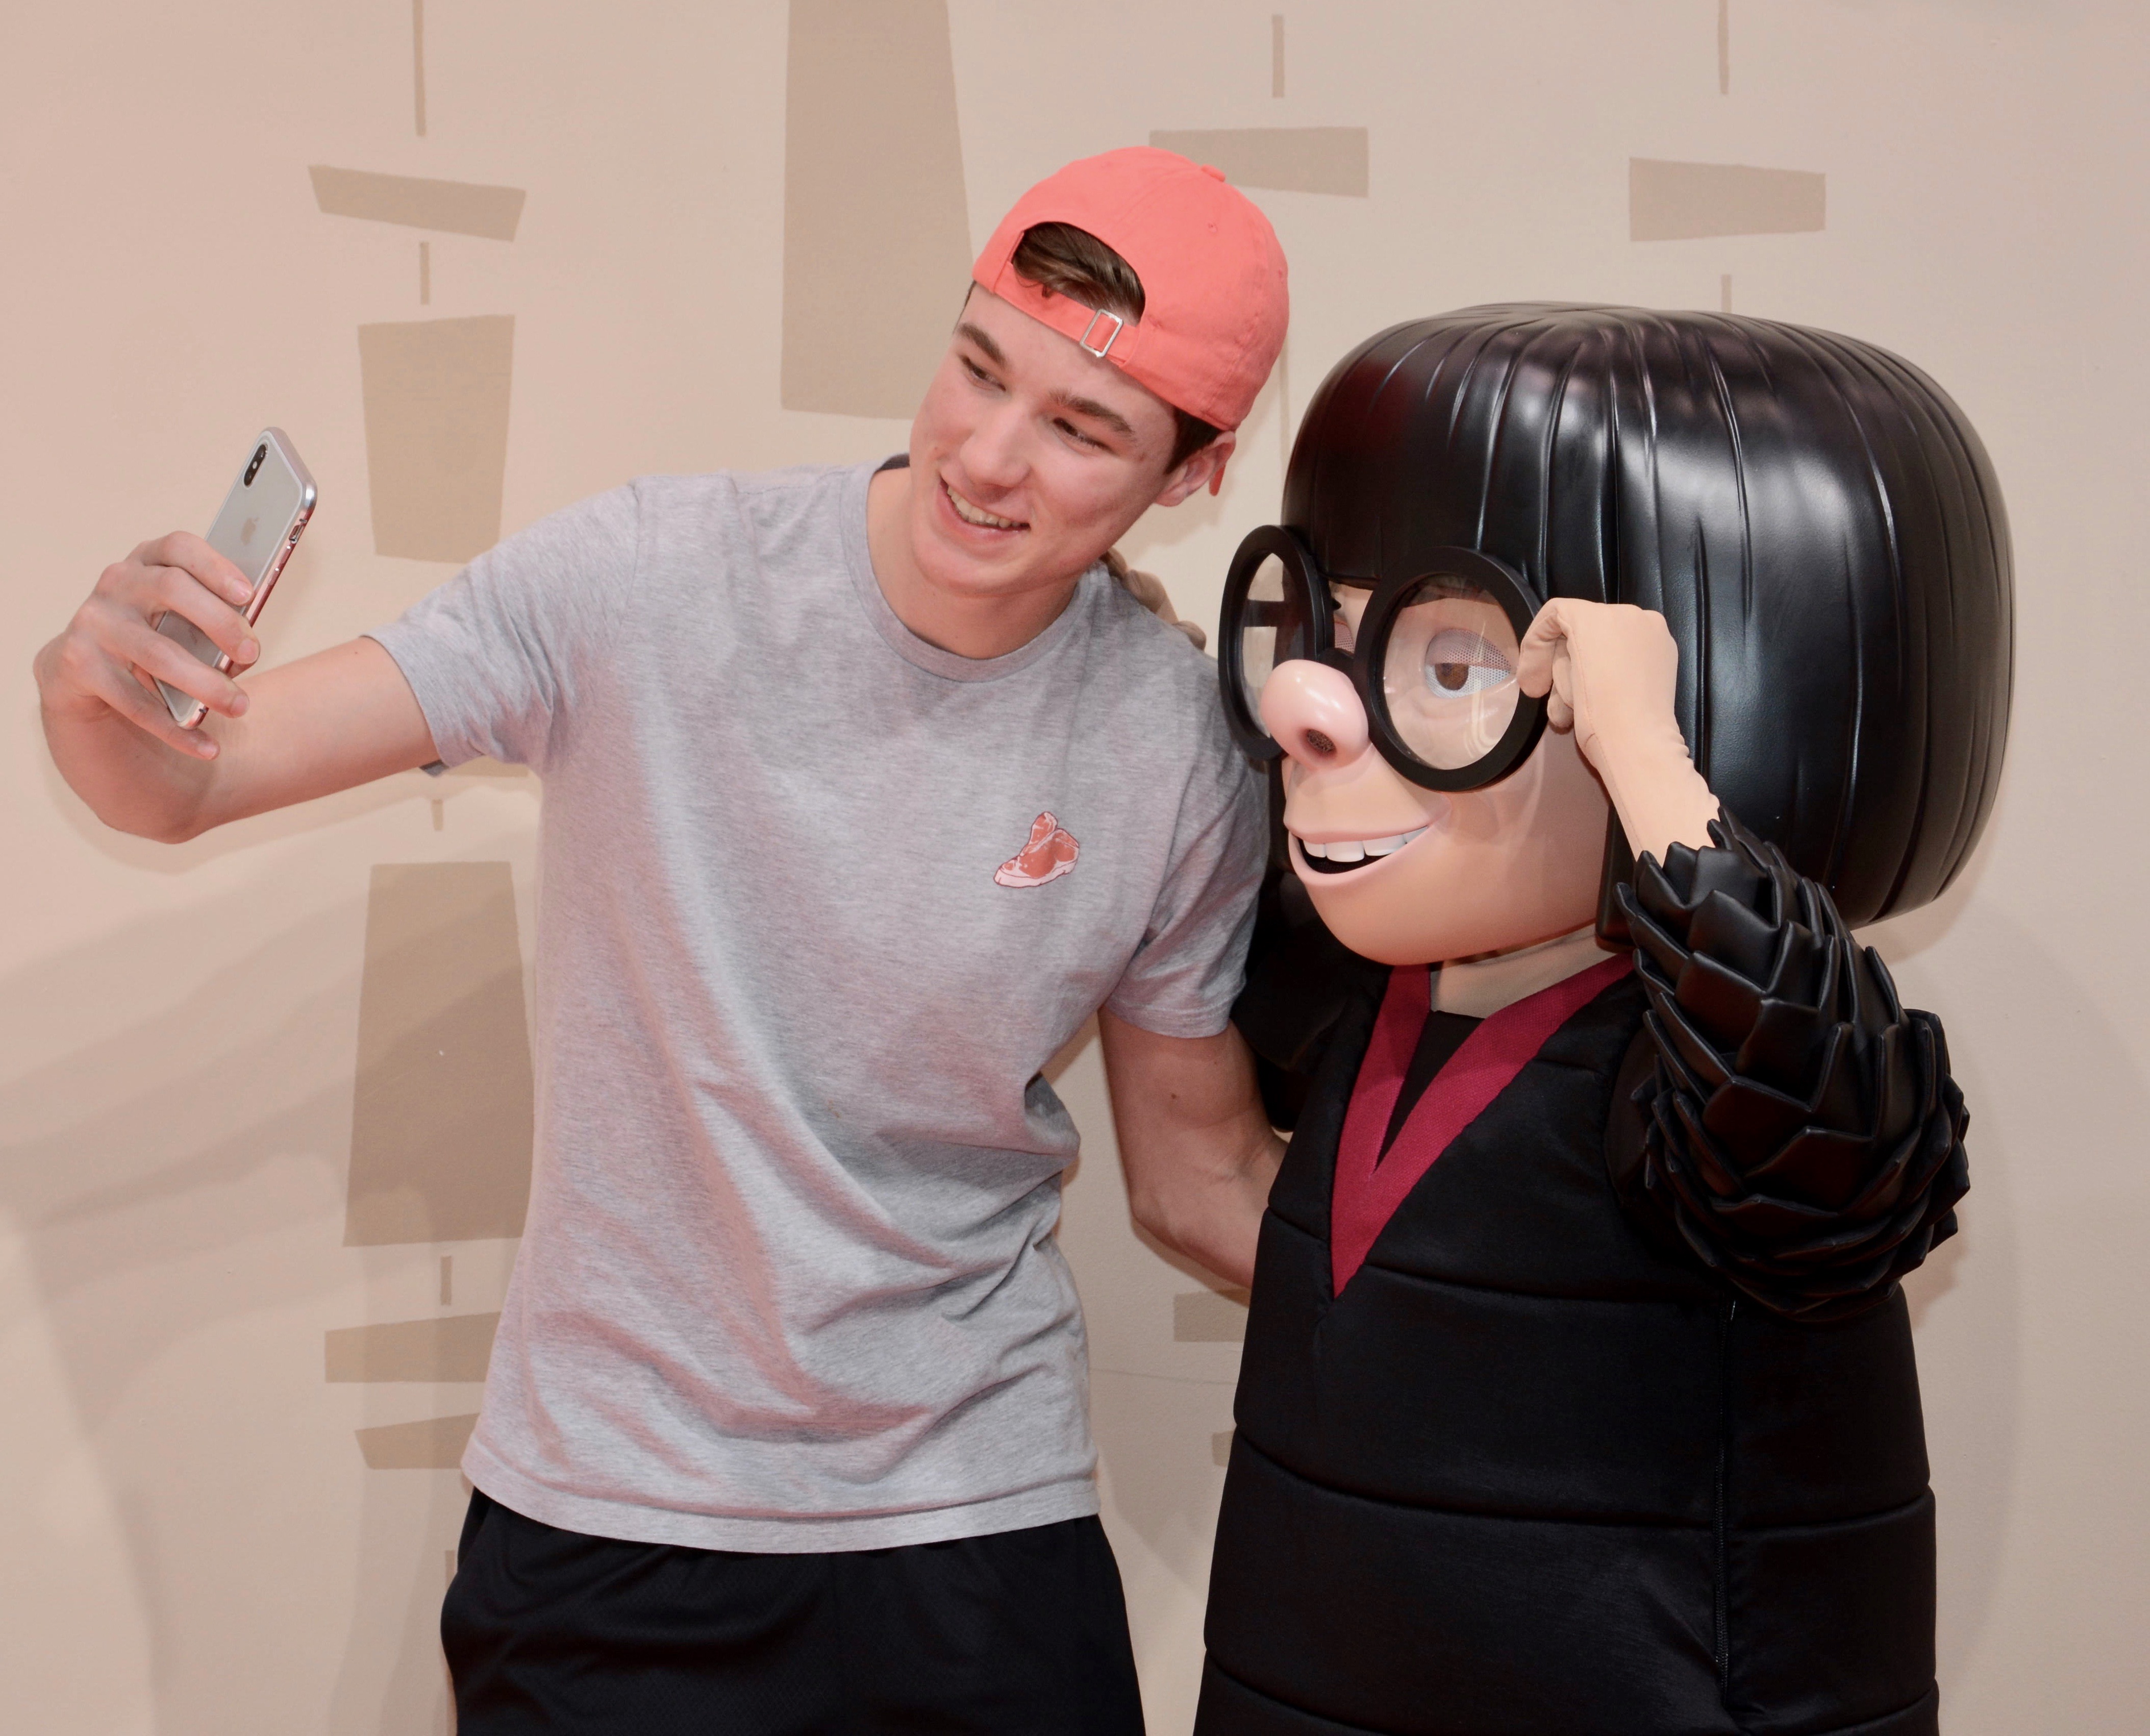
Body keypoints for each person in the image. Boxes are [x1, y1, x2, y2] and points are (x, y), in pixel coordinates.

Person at [35, 147, 1291, 1735]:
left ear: (1193, 473)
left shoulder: (1175, 742)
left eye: (1081, 428)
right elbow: (181, 784)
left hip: (975, 1526)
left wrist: (1526, 1307)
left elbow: (1199, 1180)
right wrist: (95, 691)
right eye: (978, 368)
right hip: (610, 1527)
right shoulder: (648, 578)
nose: (986, 455)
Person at [1194, 306, 2011, 1736]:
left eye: (1453, 667)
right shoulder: (1360, 994)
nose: (1315, 713)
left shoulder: (1728, 1068)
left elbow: (1828, 1154)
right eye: (1325, 632)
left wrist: (1647, 760)